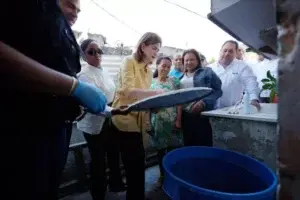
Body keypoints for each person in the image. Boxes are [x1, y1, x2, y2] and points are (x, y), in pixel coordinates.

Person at [0, 1, 108, 199]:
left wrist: (73, 100)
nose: (75, 12)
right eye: (69, 5)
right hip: (24, 127)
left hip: (57, 126)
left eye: (78, 9)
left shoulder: (57, 22)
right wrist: (73, 87)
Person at [111, 32, 164, 200]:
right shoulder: (129, 61)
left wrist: (154, 106)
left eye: (158, 49)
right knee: (134, 164)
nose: (156, 52)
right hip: (124, 117)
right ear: (143, 46)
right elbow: (128, 91)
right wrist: (155, 93)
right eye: (154, 48)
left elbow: (143, 98)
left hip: (140, 119)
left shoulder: (148, 71)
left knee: (138, 164)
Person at [76, 39, 125, 200]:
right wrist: (114, 110)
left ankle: (115, 183)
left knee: (113, 153)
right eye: (91, 51)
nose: (97, 54)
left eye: (99, 51)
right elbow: (92, 103)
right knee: (98, 160)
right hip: (94, 123)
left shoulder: (103, 71)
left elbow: (112, 93)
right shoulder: (84, 75)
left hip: (110, 119)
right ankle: (98, 193)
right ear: (83, 55)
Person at [150, 56, 183, 188]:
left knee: (173, 150)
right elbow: (147, 105)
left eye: (169, 67)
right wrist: (148, 122)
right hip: (157, 121)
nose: (166, 69)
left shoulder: (174, 81)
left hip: (172, 120)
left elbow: (179, 102)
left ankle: (174, 175)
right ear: (157, 65)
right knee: (160, 151)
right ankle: (163, 176)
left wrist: (179, 120)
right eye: (163, 65)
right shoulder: (150, 82)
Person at [179, 49, 222, 146]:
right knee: (188, 143)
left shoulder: (207, 72)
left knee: (203, 143)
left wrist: (204, 102)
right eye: (186, 60)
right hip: (185, 116)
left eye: (192, 59)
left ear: (198, 60)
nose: (189, 62)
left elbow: (218, 91)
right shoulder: (180, 77)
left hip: (201, 114)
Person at [208, 40, 260, 110]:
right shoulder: (210, 68)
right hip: (212, 110)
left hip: (233, 110)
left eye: (231, 51)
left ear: (236, 53)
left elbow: (251, 82)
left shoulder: (242, 66)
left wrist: (253, 98)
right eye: (225, 50)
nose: (227, 54)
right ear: (220, 51)